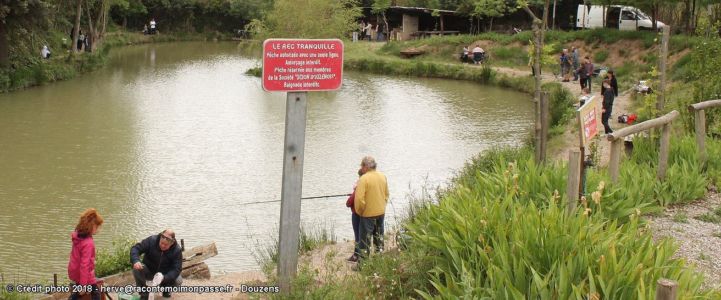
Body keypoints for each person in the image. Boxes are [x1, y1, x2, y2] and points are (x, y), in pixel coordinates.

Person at [130, 229, 183, 299]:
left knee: (178, 280)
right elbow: (135, 248)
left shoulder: (177, 250)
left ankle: (166, 289)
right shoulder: (151, 240)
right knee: (136, 268)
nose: (163, 246)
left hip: (163, 276)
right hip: (149, 271)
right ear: (160, 237)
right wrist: (136, 261)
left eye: (166, 245)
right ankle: (144, 293)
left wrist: (164, 278)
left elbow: (177, 269)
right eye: (161, 243)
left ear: (172, 243)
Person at [354, 156, 389, 259]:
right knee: (379, 237)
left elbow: (359, 199)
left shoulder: (364, 179)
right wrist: (382, 206)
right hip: (381, 212)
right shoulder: (383, 176)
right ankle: (380, 258)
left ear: (365, 167)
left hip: (367, 214)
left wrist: (360, 212)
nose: (361, 168)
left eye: (362, 166)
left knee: (364, 240)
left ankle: (362, 264)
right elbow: (387, 194)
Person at [67, 208, 104, 300]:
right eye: (97, 227)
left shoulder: (77, 236)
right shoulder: (88, 243)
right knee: (95, 293)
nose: (98, 229)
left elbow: (78, 256)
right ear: (91, 226)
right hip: (83, 274)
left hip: (74, 270)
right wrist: (83, 285)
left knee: (79, 291)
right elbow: (84, 265)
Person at [345, 168, 365, 262]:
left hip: (357, 215)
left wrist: (352, 195)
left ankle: (356, 256)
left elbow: (348, 203)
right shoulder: (369, 185)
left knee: (358, 235)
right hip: (367, 214)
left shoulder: (359, 186)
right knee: (364, 235)